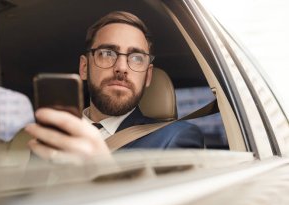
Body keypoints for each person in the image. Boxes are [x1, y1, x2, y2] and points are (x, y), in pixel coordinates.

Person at [25, 11, 204, 161]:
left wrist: (103, 170)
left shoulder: (176, 138)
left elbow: (172, 203)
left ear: (148, 76)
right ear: (84, 67)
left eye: (136, 58)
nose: (121, 67)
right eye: (107, 53)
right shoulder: (52, 134)